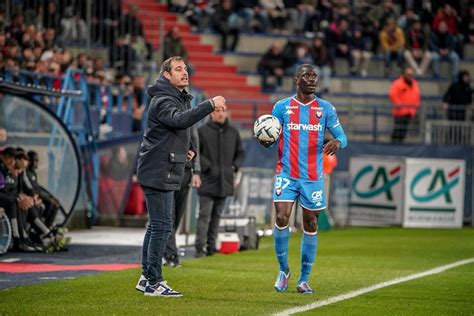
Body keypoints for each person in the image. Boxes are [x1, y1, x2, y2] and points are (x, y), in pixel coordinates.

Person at [134, 56, 226, 297]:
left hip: (162, 167)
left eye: (185, 68)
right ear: (166, 74)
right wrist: (209, 105)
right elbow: (178, 120)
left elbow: (175, 130)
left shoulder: (174, 98)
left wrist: (187, 150)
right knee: (163, 227)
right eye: (178, 69)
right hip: (158, 171)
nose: (184, 72)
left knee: (156, 226)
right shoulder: (163, 99)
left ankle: (146, 278)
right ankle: (154, 281)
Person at [268, 64, 347, 294]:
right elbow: (271, 134)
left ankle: (303, 279)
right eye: (307, 75)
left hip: (313, 177)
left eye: (314, 75)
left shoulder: (325, 108)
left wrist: (337, 142)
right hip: (286, 174)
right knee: (282, 217)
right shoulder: (282, 107)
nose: (312, 79)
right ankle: (283, 270)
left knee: (310, 224)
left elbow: (343, 136)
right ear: (296, 79)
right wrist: (267, 140)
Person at [195, 106, 244, 257]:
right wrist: (208, 167)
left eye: (223, 110)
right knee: (204, 215)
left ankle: (211, 248)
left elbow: (240, 153)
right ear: (211, 113)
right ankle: (199, 248)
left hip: (225, 181)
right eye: (217, 110)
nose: (221, 113)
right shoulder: (202, 131)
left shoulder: (233, 132)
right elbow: (196, 152)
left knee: (216, 216)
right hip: (207, 180)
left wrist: (234, 168)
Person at [163, 126, 201, 267]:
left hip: (185, 172)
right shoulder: (167, 113)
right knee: (169, 216)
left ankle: (166, 251)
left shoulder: (189, 117)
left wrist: (196, 171)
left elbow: (195, 145)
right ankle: (172, 255)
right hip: (168, 170)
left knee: (177, 216)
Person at [389, 67, 420, 143]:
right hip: (400, 112)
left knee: (404, 130)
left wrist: (416, 107)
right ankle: (393, 145)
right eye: (408, 74)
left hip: (410, 111)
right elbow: (393, 95)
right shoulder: (398, 83)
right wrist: (399, 105)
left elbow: (417, 96)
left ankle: (400, 145)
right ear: (404, 74)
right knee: (398, 129)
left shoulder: (415, 83)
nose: (410, 76)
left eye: (411, 74)